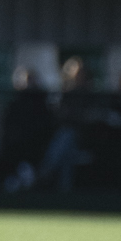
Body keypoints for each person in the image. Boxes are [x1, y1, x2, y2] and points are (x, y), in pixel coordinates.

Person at [35, 56, 97, 195]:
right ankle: (65, 191)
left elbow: (90, 117)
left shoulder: (92, 95)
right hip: (66, 136)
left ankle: (45, 172)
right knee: (67, 148)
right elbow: (58, 115)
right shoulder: (65, 94)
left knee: (67, 138)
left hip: (86, 137)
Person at [0, 66, 54, 192]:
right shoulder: (14, 106)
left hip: (37, 150)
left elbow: (46, 130)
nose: (29, 84)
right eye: (26, 81)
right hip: (15, 151)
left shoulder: (43, 107)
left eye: (31, 80)